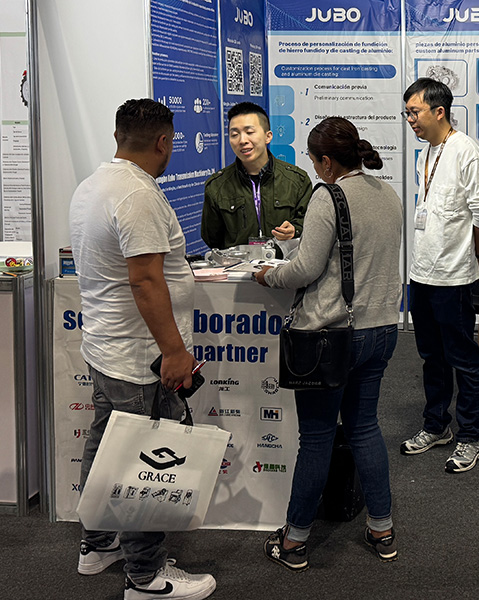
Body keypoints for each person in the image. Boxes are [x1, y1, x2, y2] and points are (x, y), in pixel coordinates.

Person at [69, 98, 216, 600]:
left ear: (118, 136)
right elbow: (145, 280)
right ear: (164, 142)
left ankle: (98, 545)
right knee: (146, 464)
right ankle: (146, 577)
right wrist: (174, 352)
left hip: (107, 348)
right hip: (140, 358)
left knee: (107, 448)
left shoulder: (93, 185)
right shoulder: (137, 195)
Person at [254, 117, 403, 571]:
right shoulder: (387, 193)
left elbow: (304, 271)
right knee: (365, 429)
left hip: (332, 334)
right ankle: (382, 529)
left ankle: (295, 540)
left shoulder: (329, 195)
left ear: (325, 161)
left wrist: (268, 275)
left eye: (313, 160)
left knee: (317, 439)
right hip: (381, 330)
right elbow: (352, 253)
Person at [399, 78, 479, 474]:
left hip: (454, 276)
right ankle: (436, 425)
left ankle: (471, 436)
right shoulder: (427, 151)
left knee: (463, 359)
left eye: (415, 112)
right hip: (421, 273)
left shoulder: (465, 151)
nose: (410, 119)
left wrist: (477, 255)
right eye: (406, 113)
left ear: (439, 111)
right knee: (431, 357)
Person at [201, 102, 312, 251]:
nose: (242, 140)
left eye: (249, 132)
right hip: (237, 264)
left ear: (268, 136)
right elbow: (212, 238)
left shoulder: (297, 180)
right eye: (234, 134)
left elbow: (311, 224)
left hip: (285, 264)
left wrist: (295, 229)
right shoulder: (217, 186)